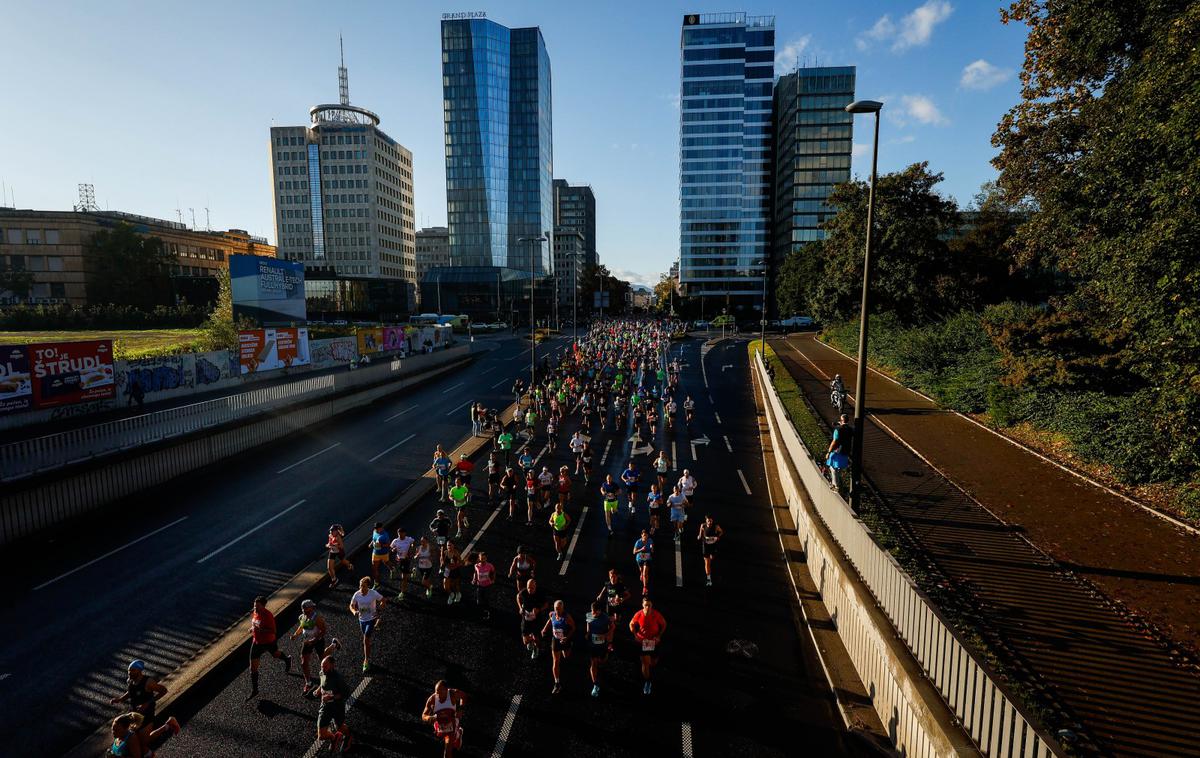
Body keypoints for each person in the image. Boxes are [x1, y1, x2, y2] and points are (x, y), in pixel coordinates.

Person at [247, 596, 292, 700]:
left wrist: (260, 631)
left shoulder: (268, 615)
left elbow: (273, 631)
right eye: (254, 605)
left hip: (268, 642)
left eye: (257, 606)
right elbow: (255, 625)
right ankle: (255, 690)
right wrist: (252, 629)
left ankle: (287, 659)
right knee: (253, 668)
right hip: (256, 642)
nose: (255, 607)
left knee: (275, 654)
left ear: (263, 606)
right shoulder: (255, 613)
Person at [314, 645, 352, 752]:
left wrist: (330, 697)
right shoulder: (322, 673)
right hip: (325, 706)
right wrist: (318, 691)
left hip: (337, 706)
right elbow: (322, 683)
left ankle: (348, 736)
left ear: (332, 666)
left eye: (325, 666)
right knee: (321, 736)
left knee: (339, 727)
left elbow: (346, 693)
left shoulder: (338, 678)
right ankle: (333, 738)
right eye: (322, 666)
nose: (322, 669)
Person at [629, 597, 667, 695]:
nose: (648, 607)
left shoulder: (656, 614)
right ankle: (647, 681)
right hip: (643, 641)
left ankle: (649, 671)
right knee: (645, 662)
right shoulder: (638, 614)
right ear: (642, 605)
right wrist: (634, 634)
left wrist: (659, 636)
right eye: (646, 605)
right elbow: (631, 624)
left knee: (653, 663)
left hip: (654, 642)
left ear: (652, 605)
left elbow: (664, 624)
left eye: (649, 605)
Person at [290, 600, 328, 697]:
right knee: (303, 662)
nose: (306, 610)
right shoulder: (302, 617)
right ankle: (308, 683)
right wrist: (295, 635)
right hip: (307, 641)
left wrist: (314, 640)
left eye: (308, 608)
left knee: (323, 660)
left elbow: (323, 631)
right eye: (304, 608)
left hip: (318, 641)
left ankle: (334, 645)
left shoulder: (316, 618)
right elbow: (301, 627)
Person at [422, 680, 467, 758]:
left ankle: (456, 734)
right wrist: (429, 718)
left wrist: (461, 709)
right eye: (437, 692)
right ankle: (458, 734)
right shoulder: (432, 699)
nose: (438, 695)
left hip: (452, 723)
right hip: (440, 724)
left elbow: (464, 696)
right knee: (451, 742)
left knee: (447, 751)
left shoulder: (453, 693)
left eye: (440, 692)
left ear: (446, 690)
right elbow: (423, 715)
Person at [349, 577, 385, 673]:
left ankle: (366, 661)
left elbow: (383, 600)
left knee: (366, 638)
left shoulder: (373, 593)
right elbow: (351, 605)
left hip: (371, 618)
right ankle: (377, 624)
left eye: (363, 586)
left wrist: (379, 610)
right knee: (366, 640)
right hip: (362, 619)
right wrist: (354, 611)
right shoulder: (357, 594)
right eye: (360, 585)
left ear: (368, 586)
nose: (361, 588)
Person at [108, 710, 180, 757]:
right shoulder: (118, 737)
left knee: (147, 738)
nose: (113, 732)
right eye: (112, 729)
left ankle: (168, 724)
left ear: (125, 728)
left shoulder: (131, 739)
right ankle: (168, 724)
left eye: (117, 730)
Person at [541, 599, 576, 694]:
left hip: (565, 640)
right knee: (556, 661)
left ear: (563, 608)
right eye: (556, 609)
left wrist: (567, 637)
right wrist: (544, 629)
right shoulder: (552, 614)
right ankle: (557, 683)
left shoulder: (567, 617)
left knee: (566, 656)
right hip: (556, 640)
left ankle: (570, 646)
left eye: (559, 609)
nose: (557, 611)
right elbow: (550, 621)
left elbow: (573, 628)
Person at [584, 600, 613, 697]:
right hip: (593, 644)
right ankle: (595, 685)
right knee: (593, 663)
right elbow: (588, 623)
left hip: (602, 644)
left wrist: (607, 635)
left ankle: (607, 654)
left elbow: (612, 627)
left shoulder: (605, 618)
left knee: (602, 661)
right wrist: (588, 632)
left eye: (595, 612)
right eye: (592, 611)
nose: (593, 613)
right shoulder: (588, 615)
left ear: (600, 611)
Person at [517, 578, 548, 659]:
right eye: (528, 588)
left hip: (536, 619)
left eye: (532, 588)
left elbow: (546, 604)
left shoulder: (540, 593)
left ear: (535, 586)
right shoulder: (524, 592)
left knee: (537, 639)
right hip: (526, 619)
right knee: (525, 641)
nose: (530, 590)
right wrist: (520, 608)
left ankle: (536, 648)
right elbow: (518, 597)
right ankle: (531, 640)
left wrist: (539, 609)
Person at [826, 414, 854, 492]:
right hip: (846, 451)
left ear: (841, 421)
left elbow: (834, 441)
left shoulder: (838, 430)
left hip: (837, 451)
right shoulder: (851, 429)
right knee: (839, 469)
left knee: (832, 467)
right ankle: (838, 484)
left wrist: (829, 452)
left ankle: (835, 486)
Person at [697, 515, 724, 587]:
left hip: (713, 546)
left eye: (710, 521)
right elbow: (700, 534)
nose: (709, 522)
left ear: (712, 520)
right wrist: (699, 536)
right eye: (708, 520)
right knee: (707, 562)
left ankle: (711, 570)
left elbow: (721, 532)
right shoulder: (703, 525)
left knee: (711, 559)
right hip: (705, 546)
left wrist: (718, 537)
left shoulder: (716, 526)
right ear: (706, 520)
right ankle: (709, 580)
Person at [390, 527, 415, 600]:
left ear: (405, 533)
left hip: (407, 559)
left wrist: (410, 550)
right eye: (399, 534)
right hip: (399, 559)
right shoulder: (395, 541)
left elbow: (413, 542)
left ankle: (403, 591)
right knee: (403, 573)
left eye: (402, 534)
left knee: (403, 577)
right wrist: (393, 550)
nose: (400, 535)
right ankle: (412, 573)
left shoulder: (408, 539)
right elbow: (391, 548)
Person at [472, 551, 496, 619]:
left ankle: (487, 612)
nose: (483, 560)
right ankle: (481, 612)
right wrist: (474, 579)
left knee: (486, 599)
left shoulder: (490, 566)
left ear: (486, 558)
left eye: (484, 558)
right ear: (479, 559)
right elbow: (475, 573)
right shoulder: (476, 566)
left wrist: (493, 580)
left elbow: (493, 572)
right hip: (479, 585)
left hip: (487, 585)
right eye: (481, 558)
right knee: (479, 601)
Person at [633, 530, 654, 596]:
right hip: (639, 558)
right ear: (641, 535)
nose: (645, 536)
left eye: (646, 535)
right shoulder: (638, 542)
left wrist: (652, 548)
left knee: (645, 573)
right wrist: (641, 549)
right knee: (641, 571)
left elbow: (652, 549)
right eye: (644, 535)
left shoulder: (650, 540)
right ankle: (641, 573)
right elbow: (634, 552)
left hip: (647, 558)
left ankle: (645, 587)